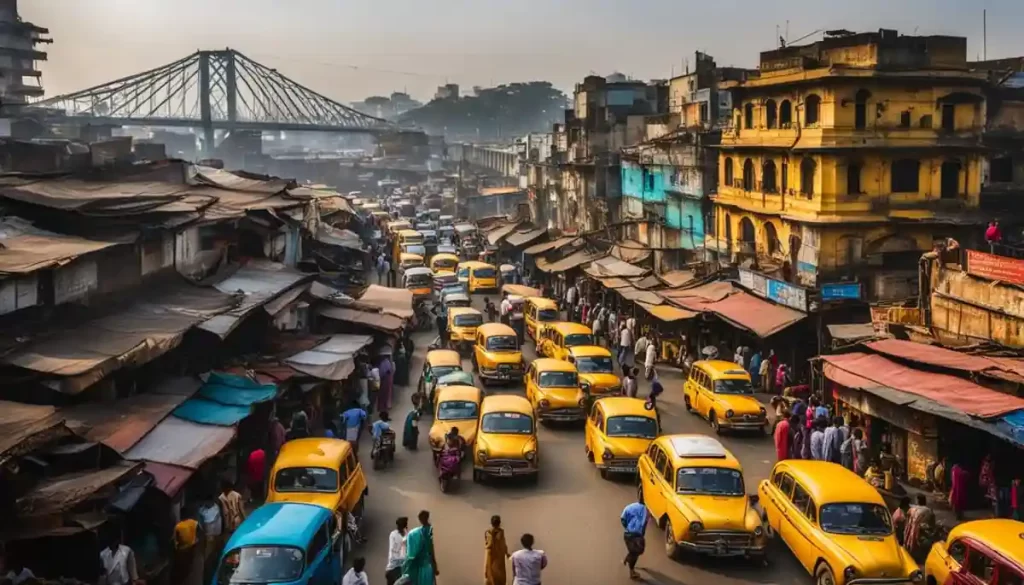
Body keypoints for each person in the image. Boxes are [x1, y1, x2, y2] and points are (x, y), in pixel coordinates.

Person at [403, 510, 438, 585]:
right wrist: (435, 566)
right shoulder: (427, 530)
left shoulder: (418, 532)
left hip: (421, 567)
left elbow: (411, 554)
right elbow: (431, 550)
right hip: (427, 566)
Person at [620, 499, 647, 580]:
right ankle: (632, 572)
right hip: (636, 536)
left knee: (635, 551)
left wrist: (628, 528)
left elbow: (622, 519)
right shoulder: (646, 510)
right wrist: (641, 535)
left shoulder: (630, 506)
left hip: (627, 534)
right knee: (636, 552)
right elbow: (644, 525)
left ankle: (628, 558)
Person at [905, 494, 936, 560]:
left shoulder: (912, 509)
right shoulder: (929, 511)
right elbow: (933, 523)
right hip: (925, 533)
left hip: (914, 532)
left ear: (918, 501)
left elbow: (907, 520)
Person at [484, 515, 510, 585]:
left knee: (491, 574)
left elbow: (488, 545)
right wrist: (506, 553)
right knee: (496, 575)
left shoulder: (489, 532)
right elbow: (503, 544)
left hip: (492, 556)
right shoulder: (496, 532)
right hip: (497, 556)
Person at [386, 517, 409, 585]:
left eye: (400, 527)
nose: (398, 528)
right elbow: (392, 552)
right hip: (394, 568)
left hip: (404, 569)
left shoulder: (408, 536)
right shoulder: (393, 535)